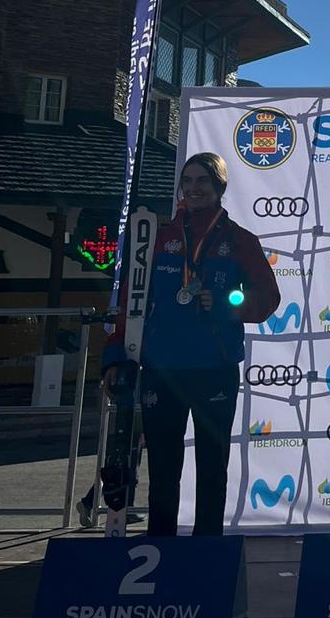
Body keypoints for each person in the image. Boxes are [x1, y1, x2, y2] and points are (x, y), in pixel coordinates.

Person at [102, 153, 278, 536]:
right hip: (162, 368)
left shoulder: (240, 241)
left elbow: (268, 299)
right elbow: (131, 302)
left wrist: (230, 304)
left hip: (214, 367)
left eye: (203, 181)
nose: (194, 188)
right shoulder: (157, 237)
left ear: (219, 187)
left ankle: (207, 549)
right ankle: (161, 545)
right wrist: (115, 354)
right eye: (188, 180)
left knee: (212, 468)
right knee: (163, 468)